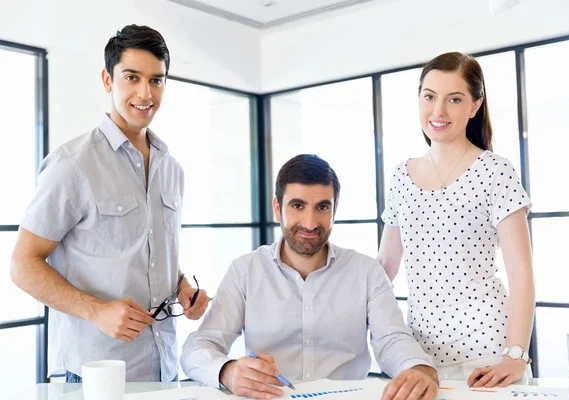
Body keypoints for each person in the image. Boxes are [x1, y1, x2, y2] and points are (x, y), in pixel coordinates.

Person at [10, 24, 210, 382]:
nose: (145, 93)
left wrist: (183, 287)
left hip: (164, 369)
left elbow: (147, 252)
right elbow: (22, 265)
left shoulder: (172, 170)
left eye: (156, 80)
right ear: (108, 80)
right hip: (94, 375)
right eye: (132, 77)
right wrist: (97, 311)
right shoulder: (72, 164)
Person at [181, 154, 439, 400]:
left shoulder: (366, 272)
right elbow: (198, 348)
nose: (310, 222)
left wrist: (417, 367)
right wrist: (227, 371)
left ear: (334, 210)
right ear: (277, 208)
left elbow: (391, 339)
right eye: (297, 206)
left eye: (322, 207)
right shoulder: (245, 271)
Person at [377, 51, 535, 387]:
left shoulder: (495, 171)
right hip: (421, 358)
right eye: (430, 97)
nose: (439, 111)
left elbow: (521, 273)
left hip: (488, 352)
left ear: (475, 106)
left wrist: (515, 356)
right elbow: (385, 267)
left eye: (455, 99)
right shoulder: (400, 177)